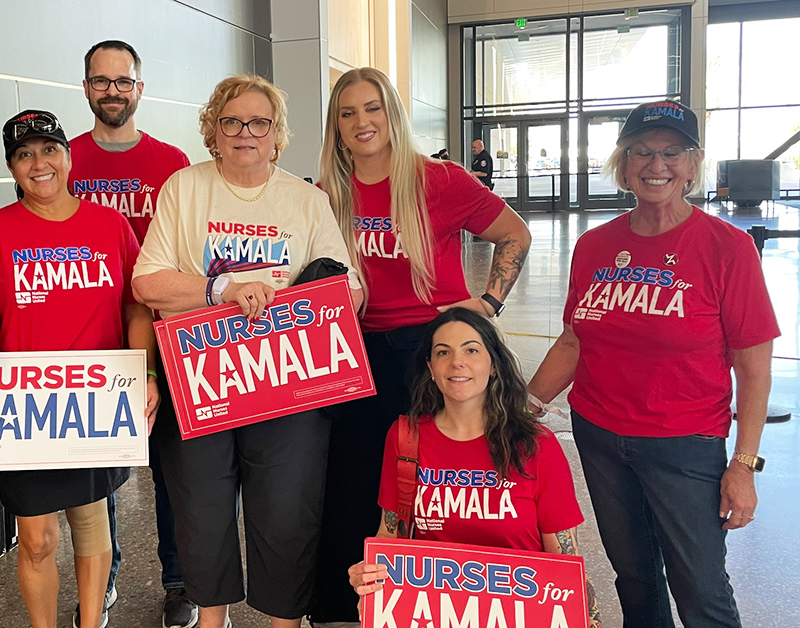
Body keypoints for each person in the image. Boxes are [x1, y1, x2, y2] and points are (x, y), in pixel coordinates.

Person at [527, 100, 778, 628]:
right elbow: (575, 340)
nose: (656, 164)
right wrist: (524, 404)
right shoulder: (595, 246)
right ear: (623, 164)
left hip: (684, 445)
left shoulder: (726, 248)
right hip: (598, 436)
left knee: (701, 587)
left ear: (693, 164)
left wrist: (744, 465)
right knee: (635, 578)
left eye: (672, 153)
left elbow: (753, 366)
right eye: (641, 151)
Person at [131, 74, 363, 628]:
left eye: (259, 122)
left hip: (287, 376)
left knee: (287, 508)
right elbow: (147, 283)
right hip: (201, 373)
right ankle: (212, 618)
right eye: (231, 121)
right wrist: (221, 291)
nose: (245, 132)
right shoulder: (183, 189)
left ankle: (284, 620)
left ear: (277, 135)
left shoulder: (307, 200)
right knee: (201, 508)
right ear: (214, 130)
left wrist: (293, 305)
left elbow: (349, 289)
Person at [311, 67, 531, 626]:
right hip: (354, 349)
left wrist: (486, 305)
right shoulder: (323, 195)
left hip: (427, 349)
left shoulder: (440, 180)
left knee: (437, 479)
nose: (362, 122)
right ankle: (344, 607)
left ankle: (444, 604)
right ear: (335, 127)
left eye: (372, 108)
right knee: (354, 479)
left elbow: (514, 233)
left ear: (393, 114)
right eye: (348, 112)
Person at [0, 109, 159, 628]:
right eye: (24, 154)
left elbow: (134, 307)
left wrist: (146, 376)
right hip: (23, 407)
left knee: (93, 527)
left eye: (49, 149)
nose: (39, 163)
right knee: (36, 539)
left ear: (68, 155)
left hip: (95, 401)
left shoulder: (111, 225)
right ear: (12, 168)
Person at [347, 308, 602, 628]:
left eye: (471, 349)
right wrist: (370, 575)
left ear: (493, 365)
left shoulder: (536, 445)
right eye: (443, 352)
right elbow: (391, 537)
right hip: (436, 615)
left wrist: (587, 619)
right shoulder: (405, 438)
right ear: (430, 367)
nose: (457, 362)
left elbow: (564, 559)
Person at [67, 39, 197, 628]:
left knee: (172, 465)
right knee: (99, 463)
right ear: (86, 87)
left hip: (165, 332)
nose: (112, 90)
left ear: (139, 89)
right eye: (101, 80)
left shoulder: (171, 163)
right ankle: (107, 573)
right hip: (89, 333)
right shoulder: (61, 160)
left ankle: (178, 580)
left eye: (124, 81)